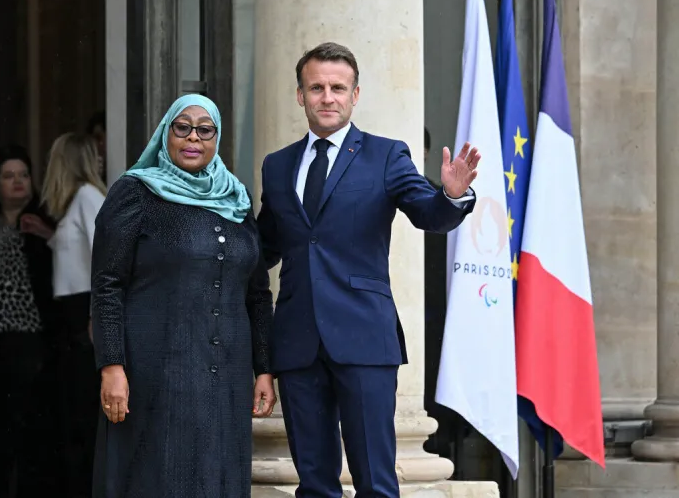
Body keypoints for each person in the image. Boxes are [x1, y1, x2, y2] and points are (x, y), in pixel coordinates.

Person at [256, 42, 480, 497]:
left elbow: (428, 213)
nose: (327, 97)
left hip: (364, 338)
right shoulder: (277, 166)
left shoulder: (386, 155)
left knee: (376, 481)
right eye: (316, 88)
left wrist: (451, 196)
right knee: (313, 484)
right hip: (297, 343)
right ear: (300, 95)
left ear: (355, 95)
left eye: (338, 88)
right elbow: (264, 247)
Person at [91, 94, 276, 498]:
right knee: (159, 475)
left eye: (205, 130)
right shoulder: (136, 193)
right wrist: (112, 366)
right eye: (183, 127)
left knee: (219, 476)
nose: (194, 137)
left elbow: (258, 294)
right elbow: (107, 285)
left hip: (227, 375)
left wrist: (264, 368)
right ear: (166, 133)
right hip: (157, 371)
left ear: (217, 138)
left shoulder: (236, 199)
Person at [0, 144, 58, 497]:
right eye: (9, 176)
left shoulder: (44, 222)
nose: (18, 181)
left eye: (23, 175)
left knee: (31, 435)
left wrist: (47, 236)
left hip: (31, 341)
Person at [22, 132, 106, 497]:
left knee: (83, 422)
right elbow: (78, 252)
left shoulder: (88, 196)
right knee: (73, 420)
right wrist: (49, 234)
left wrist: (97, 313)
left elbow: (107, 255)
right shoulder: (77, 201)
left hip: (85, 317)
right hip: (71, 320)